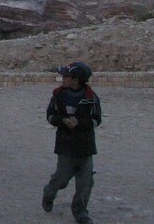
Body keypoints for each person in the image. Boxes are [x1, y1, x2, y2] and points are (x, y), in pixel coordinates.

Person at [42, 61, 102, 224]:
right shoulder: (58, 95)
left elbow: (96, 120)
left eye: (66, 76)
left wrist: (79, 123)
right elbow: (50, 115)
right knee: (61, 179)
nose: (63, 78)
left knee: (85, 183)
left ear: (76, 80)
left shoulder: (91, 98)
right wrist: (62, 121)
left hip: (85, 147)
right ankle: (49, 193)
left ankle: (80, 212)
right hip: (65, 145)